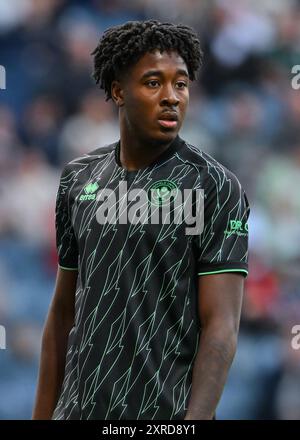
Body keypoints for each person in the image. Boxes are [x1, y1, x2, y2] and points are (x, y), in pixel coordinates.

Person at [32, 19, 250, 420]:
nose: (171, 97)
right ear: (118, 91)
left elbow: (221, 328)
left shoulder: (215, 186)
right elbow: (62, 312)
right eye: (153, 83)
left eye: (180, 84)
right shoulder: (78, 179)